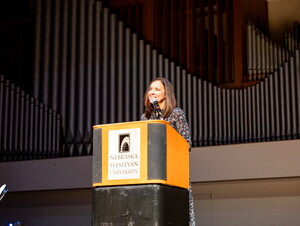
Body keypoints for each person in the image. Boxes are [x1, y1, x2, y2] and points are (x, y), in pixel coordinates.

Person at [141, 77, 195, 226]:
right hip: (152, 173)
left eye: (157, 89)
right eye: (150, 89)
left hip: (174, 172)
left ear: (166, 94)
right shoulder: (145, 118)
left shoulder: (176, 113)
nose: (152, 92)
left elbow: (187, 143)